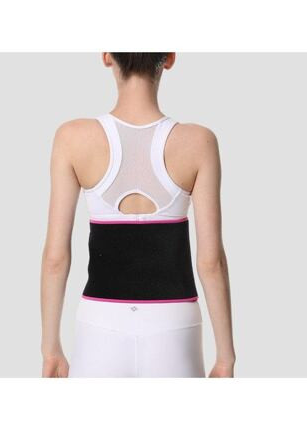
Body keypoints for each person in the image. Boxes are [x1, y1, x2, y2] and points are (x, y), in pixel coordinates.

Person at [40, 53, 236, 378]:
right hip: (174, 324)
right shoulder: (199, 142)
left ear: (107, 57)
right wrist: (225, 357)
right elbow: (211, 262)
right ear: (169, 58)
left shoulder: (72, 138)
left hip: (100, 323)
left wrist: (51, 349)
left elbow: (55, 259)